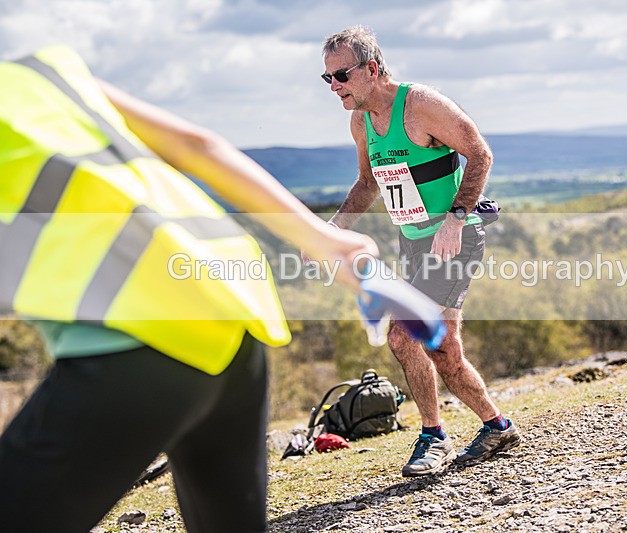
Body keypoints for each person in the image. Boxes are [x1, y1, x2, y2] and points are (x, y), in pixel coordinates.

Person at [0, 45, 377, 532]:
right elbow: (197, 146)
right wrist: (325, 241)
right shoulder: (42, 71)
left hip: (136, 338)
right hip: (231, 311)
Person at [319, 26, 521, 477]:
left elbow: (480, 154)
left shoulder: (421, 105)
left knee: (408, 335)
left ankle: (435, 436)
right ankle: (495, 427)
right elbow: (368, 183)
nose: (334, 86)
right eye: (327, 77)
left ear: (372, 69)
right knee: (439, 347)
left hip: (454, 238)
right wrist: (330, 232)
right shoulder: (361, 121)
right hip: (412, 240)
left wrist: (456, 218)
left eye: (341, 76)